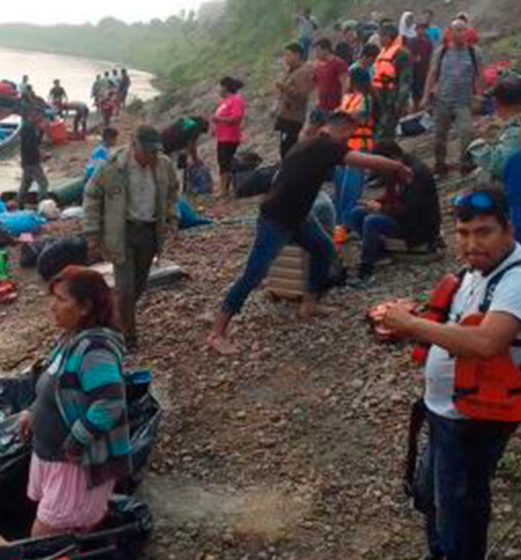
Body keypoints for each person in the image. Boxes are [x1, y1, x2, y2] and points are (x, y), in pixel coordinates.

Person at [380, 188, 521, 560]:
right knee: (430, 497)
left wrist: (411, 325)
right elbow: (451, 325)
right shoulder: (476, 271)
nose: (472, 243)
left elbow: (488, 342)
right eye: (463, 233)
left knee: (460, 512)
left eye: (484, 232)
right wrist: (409, 317)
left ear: (509, 229)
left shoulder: (517, 280)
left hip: (473, 422)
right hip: (443, 411)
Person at [205, 111, 414, 355]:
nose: (349, 141)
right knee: (254, 274)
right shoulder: (326, 146)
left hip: (298, 217)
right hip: (277, 218)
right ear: (342, 129)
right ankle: (217, 333)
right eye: (349, 134)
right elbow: (363, 160)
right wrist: (398, 166)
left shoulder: (309, 142)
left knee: (323, 248)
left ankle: (309, 304)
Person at [19, 266, 131, 537]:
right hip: (54, 459)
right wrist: (33, 411)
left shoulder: (95, 349)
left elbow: (110, 403)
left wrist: (76, 442)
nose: (52, 307)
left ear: (85, 307)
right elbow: (54, 384)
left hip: (75, 464)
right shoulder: (70, 339)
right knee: (66, 534)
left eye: (61, 299)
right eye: (52, 298)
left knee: (45, 538)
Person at [83, 126, 179, 349]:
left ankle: (110, 319)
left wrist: (173, 218)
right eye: (147, 152)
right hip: (121, 232)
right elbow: (91, 197)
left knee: (139, 285)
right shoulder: (112, 167)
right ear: (133, 144)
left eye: (155, 152)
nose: (151, 157)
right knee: (125, 288)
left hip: (149, 232)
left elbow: (173, 192)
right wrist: (92, 235)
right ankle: (127, 337)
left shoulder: (164, 165)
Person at [348, 141, 441, 285]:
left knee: (371, 221)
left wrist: (382, 208)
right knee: (356, 213)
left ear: (393, 157)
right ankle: (379, 254)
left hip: (418, 225)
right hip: (401, 215)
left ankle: (366, 269)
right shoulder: (393, 169)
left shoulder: (416, 173)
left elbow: (412, 209)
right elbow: (392, 196)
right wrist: (375, 203)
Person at [426, 19, 485, 178]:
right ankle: (440, 166)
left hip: (463, 101)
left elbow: (480, 75)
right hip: (442, 101)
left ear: (467, 32)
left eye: (463, 30)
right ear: (450, 33)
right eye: (457, 30)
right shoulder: (442, 51)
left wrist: (479, 95)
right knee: (439, 137)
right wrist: (426, 96)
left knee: (467, 133)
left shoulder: (475, 52)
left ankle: (466, 166)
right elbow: (432, 74)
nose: (460, 33)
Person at [333, 67, 376, 234]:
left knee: (351, 187)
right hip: (342, 146)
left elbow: (356, 116)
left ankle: (346, 224)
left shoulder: (366, 98)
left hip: (359, 147)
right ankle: (339, 221)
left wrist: (340, 115)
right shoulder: (347, 98)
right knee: (340, 185)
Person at [468, 73, 521, 187]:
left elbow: (503, 167)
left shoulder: (515, 132)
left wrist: (478, 143)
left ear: (497, 104)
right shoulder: (513, 125)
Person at [275, 43, 316, 160]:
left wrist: (284, 87)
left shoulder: (304, 71)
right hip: (286, 115)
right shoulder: (293, 70)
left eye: (288, 55)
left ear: (297, 55)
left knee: (288, 149)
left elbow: (303, 94)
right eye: (285, 56)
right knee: (284, 147)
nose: (286, 59)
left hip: (294, 118)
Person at [373, 22, 413, 142]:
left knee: (386, 131)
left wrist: (400, 102)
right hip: (380, 98)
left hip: (392, 98)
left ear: (389, 36)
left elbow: (405, 81)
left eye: (382, 36)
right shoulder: (383, 51)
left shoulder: (402, 54)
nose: (379, 39)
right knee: (380, 128)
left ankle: (386, 155)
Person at [212, 76, 246, 196]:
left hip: (230, 137)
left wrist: (219, 119)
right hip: (222, 137)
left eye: (220, 87)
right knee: (223, 161)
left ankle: (224, 190)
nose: (218, 89)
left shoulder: (236, 99)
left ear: (225, 88)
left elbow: (236, 117)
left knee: (224, 162)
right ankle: (224, 188)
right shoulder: (224, 101)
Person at [18, 110, 50, 209]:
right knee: (43, 183)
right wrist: (41, 156)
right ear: (30, 117)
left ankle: (20, 203)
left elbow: (36, 143)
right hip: (31, 162)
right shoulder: (27, 129)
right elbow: (31, 146)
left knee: (26, 183)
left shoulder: (30, 128)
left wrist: (41, 131)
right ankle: (42, 203)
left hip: (27, 161)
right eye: (37, 117)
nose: (39, 119)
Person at [410, 23, 435, 111]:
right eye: (419, 29)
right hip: (413, 73)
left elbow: (431, 56)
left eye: (423, 29)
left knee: (424, 94)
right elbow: (407, 57)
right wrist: (414, 59)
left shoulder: (428, 43)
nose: (421, 31)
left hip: (424, 73)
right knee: (414, 95)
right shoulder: (411, 42)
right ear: (415, 30)